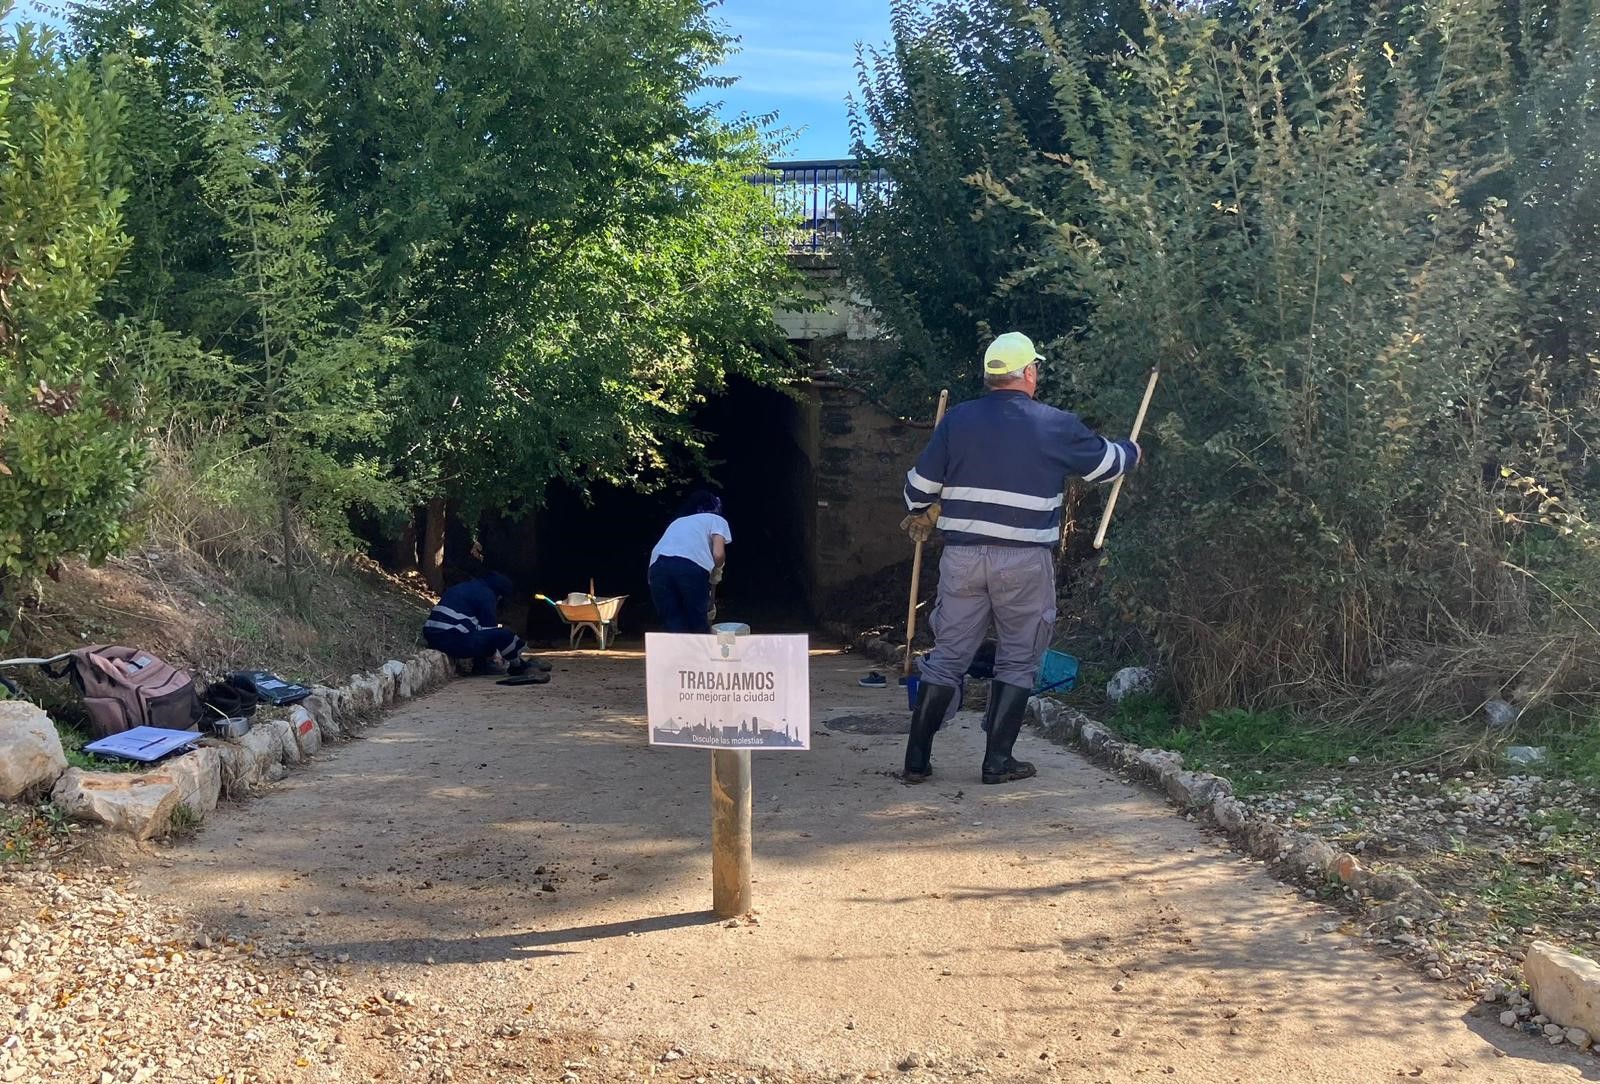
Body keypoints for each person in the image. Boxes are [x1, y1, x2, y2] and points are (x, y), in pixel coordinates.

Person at [899, 331, 1141, 785]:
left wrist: (927, 510)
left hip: (963, 559)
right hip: (1024, 562)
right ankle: (997, 762)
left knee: (948, 657)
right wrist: (1132, 450)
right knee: (1017, 658)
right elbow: (1107, 465)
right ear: (1029, 372)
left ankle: (916, 761)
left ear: (990, 376)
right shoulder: (1054, 424)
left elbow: (917, 493)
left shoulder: (957, 420)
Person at [422, 572, 539, 676]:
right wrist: (500, 655)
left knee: (480, 634)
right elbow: (490, 632)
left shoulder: (466, 587)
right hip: (452, 639)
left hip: (434, 637)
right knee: (503, 635)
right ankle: (518, 666)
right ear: (500, 595)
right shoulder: (487, 595)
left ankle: (480, 666)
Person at [649, 491, 731, 633]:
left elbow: (657, 551)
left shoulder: (678, 522)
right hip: (690, 567)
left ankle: (678, 647)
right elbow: (718, 554)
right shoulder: (717, 519)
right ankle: (701, 646)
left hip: (657, 568)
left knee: (673, 622)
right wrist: (717, 570)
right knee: (698, 621)